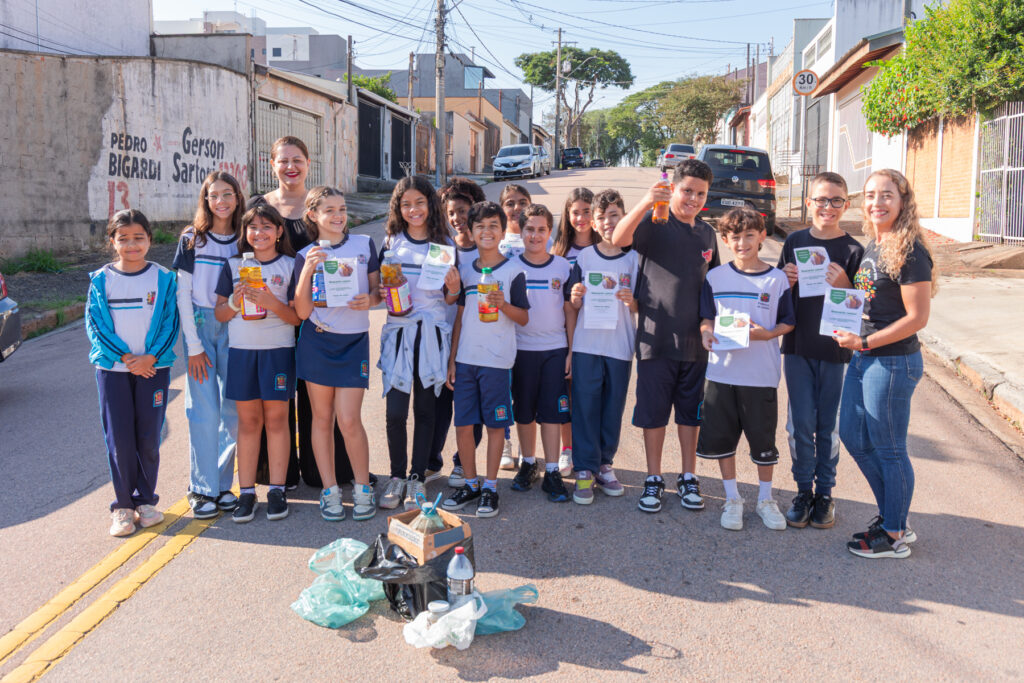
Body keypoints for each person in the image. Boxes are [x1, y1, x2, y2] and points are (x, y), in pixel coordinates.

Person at [837, 169, 935, 559]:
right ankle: (895, 516)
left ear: (902, 201)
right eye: (871, 195)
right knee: (853, 436)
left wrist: (864, 341)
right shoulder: (876, 244)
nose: (877, 202)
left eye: (886, 195)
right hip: (864, 357)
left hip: (892, 362)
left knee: (890, 449)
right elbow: (870, 301)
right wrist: (844, 290)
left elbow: (916, 318)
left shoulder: (911, 251)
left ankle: (894, 533)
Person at [611, 160, 719, 514]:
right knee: (654, 415)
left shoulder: (706, 233)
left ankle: (689, 476)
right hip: (655, 341)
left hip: (695, 345)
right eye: (687, 190)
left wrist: (712, 327)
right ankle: (654, 478)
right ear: (673, 188)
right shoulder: (655, 222)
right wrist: (645, 200)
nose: (693, 198)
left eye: (700, 193)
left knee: (691, 415)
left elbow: (715, 286)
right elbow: (618, 238)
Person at [249, 136, 354, 489]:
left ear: (309, 163)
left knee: (318, 398)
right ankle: (279, 473)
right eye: (283, 160)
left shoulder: (320, 205)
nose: (290, 167)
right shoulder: (259, 206)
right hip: (269, 313)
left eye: (298, 159)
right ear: (272, 164)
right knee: (277, 397)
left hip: (315, 315)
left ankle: (321, 470)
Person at [697, 208, 795, 531]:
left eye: (749, 236)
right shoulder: (715, 278)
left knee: (763, 441)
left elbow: (787, 322)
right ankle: (732, 498)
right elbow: (707, 317)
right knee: (724, 439)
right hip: (722, 373)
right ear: (725, 240)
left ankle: (765, 499)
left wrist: (768, 334)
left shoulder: (776, 279)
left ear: (763, 236)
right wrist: (707, 333)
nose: (742, 243)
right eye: (735, 237)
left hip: (761, 375)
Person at [777, 172, 864, 529]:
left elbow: (863, 307)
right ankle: (802, 491)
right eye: (821, 200)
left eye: (836, 201)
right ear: (809, 202)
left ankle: (825, 493)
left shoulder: (855, 250)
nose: (827, 207)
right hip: (798, 345)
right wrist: (783, 279)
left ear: (846, 204)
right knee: (800, 424)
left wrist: (846, 284)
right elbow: (781, 297)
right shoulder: (795, 240)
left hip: (835, 349)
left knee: (828, 426)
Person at [86, 209, 179, 537]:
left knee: (148, 438)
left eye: (138, 238)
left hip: (154, 368)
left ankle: (146, 501)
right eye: (123, 239)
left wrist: (149, 358)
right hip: (113, 371)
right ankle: (123, 506)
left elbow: (171, 322)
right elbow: (96, 325)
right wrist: (127, 359)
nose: (131, 245)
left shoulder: (163, 279)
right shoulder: (101, 280)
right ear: (112, 241)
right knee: (120, 439)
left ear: (150, 240)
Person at [293, 186, 382, 522]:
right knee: (321, 418)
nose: (338, 215)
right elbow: (301, 312)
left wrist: (370, 299)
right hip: (318, 341)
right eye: (329, 210)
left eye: (342, 209)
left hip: (353, 343)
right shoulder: (306, 254)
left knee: (348, 419)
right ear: (313, 215)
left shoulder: (363, 245)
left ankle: (362, 487)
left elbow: (377, 291)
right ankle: (329, 490)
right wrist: (307, 269)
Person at [442, 201, 530, 518]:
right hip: (466, 360)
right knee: (464, 425)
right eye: (480, 226)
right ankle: (471, 482)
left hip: (497, 363)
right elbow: (460, 318)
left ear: (503, 230)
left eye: (493, 225)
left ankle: (491, 487)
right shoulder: (465, 271)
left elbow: (523, 318)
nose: (487, 231)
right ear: (471, 231)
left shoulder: (514, 270)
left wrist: (503, 304)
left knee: (495, 426)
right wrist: (452, 360)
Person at [377, 176, 460, 511]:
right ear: (398, 207)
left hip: (431, 335)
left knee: (425, 410)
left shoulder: (445, 244)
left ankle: (415, 477)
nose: (413, 210)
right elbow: (383, 288)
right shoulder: (391, 242)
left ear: (431, 204)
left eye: (420, 202)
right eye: (406, 203)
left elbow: (451, 300)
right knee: (395, 412)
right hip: (398, 332)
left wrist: (453, 287)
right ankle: (396, 476)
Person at [213, 204, 299, 522]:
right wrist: (236, 301)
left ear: (278, 232)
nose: (259, 233)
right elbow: (220, 314)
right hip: (242, 352)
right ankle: (246, 492)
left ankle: (276, 490)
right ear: (244, 233)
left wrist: (270, 302)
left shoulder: (291, 265)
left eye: (266, 227)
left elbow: (296, 316)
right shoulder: (233, 265)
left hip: (278, 350)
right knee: (248, 424)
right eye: (252, 228)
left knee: (277, 422)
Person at [173, 171, 243, 520]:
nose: (221, 201)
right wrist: (194, 344)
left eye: (227, 194)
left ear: (236, 197)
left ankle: (221, 486)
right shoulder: (192, 239)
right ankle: (201, 489)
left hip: (234, 326)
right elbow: (182, 294)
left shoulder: (243, 239)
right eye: (214, 195)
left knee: (232, 411)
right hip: (201, 326)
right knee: (204, 410)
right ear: (206, 199)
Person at [567, 190, 639, 505]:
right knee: (584, 405)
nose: (608, 222)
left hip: (620, 345)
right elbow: (572, 304)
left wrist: (631, 301)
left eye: (615, 215)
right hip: (587, 344)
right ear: (593, 225)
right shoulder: (584, 258)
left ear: (625, 218)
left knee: (612, 407)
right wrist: (576, 296)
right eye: (602, 217)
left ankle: (604, 464)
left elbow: (643, 305)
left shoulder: (635, 258)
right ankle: (584, 468)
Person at [508, 203, 574, 502]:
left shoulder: (563, 267)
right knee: (523, 411)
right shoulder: (510, 266)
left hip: (554, 349)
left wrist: (571, 350)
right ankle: (528, 462)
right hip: (520, 349)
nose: (535, 235)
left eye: (541, 230)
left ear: (550, 232)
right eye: (529, 229)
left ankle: (552, 470)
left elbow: (570, 311)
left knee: (552, 412)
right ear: (520, 231)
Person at [436, 176, 487, 487]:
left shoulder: (486, 249)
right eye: (450, 212)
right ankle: (432, 460)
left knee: (473, 407)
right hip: (443, 335)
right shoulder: (442, 249)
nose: (457, 218)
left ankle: (462, 463)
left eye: (463, 210)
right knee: (440, 402)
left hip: (476, 339)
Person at [550, 187, 599, 474]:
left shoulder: (604, 248)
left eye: (587, 211)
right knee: (566, 395)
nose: (581, 218)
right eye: (575, 212)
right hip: (563, 333)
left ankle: (591, 451)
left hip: (596, 333)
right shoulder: (558, 251)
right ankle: (567, 449)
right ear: (567, 216)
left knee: (590, 397)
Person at [497, 184, 532, 260]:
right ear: (502, 210)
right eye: (510, 204)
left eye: (522, 203)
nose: (517, 208)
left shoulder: (542, 239)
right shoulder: (495, 240)